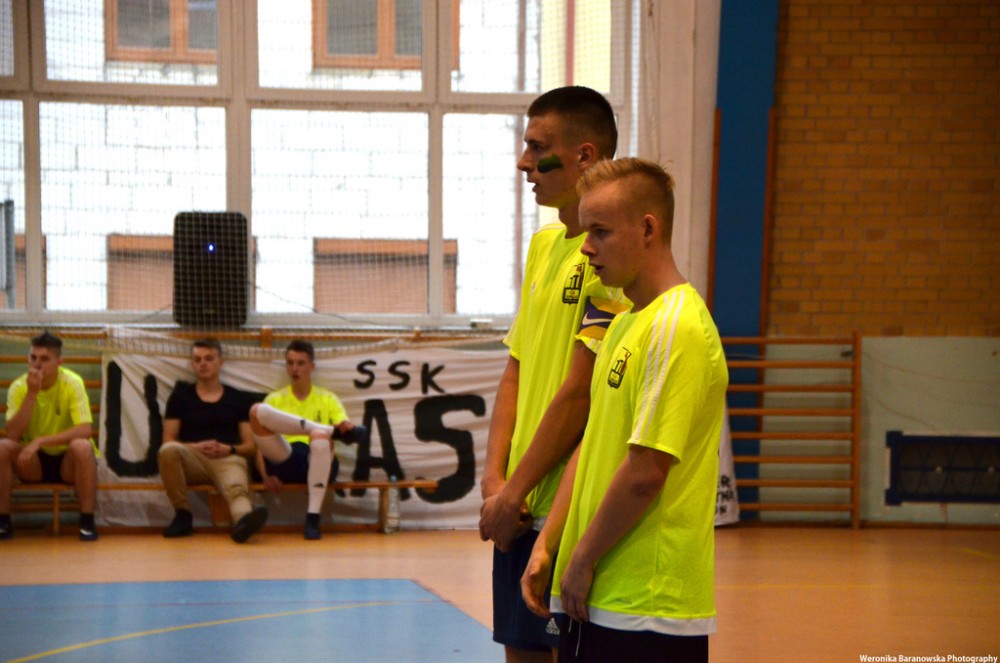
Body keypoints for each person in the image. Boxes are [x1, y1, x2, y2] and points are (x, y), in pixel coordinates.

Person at [520, 158, 728, 663]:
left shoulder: (676, 326)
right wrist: (550, 544)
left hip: (645, 606)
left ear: (648, 229)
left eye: (600, 232)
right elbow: (593, 443)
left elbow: (645, 472)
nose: (586, 247)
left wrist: (583, 558)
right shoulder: (626, 321)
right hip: (600, 593)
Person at [478, 86, 627, 662]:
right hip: (516, 505)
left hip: (563, 508)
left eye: (537, 148)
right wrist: (495, 482)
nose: (524, 162)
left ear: (585, 156)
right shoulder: (543, 247)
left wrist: (516, 490)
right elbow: (516, 369)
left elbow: (579, 393)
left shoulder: (607, 260)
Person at [248, 339, 362, 540]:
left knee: (320, 437)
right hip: (285, 458)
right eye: (290, 363)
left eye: (300, 363)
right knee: (256, 411)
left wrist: (345, 428)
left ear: (311, 366)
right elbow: (260, 446)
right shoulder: (275, 399)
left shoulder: (327, 398)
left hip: (318, 460)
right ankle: (322, 429)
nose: (295, 368)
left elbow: (346, 428)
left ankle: (312, 518)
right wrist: (264, 475)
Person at [158, 338, 268, 543]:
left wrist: (229, 449)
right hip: (192, 459)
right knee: (167, 451)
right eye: (197, 359)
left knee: (237, 489)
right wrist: (195, 447)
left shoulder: (237, 399)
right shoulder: (180, 397)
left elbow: (251, 446)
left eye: (209, 358)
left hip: (227, 458)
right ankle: (182, 516)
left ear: (220, 362)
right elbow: (168, 440)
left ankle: (243, 522)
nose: (203, 364)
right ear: (192, 364)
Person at [0, 331, 99, 541]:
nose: (37, 365)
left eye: (44, 359)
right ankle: (3, 522)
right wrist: (32, 393)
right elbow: (13, 433)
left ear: (59, 362)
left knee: (82, 446)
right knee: (3, 447)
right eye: (33, 358)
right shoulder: (19, 387)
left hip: (67, 461)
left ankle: (87, 521)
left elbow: (85, 429)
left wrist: (40, 441)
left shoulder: (72, 382)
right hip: (33, 462)